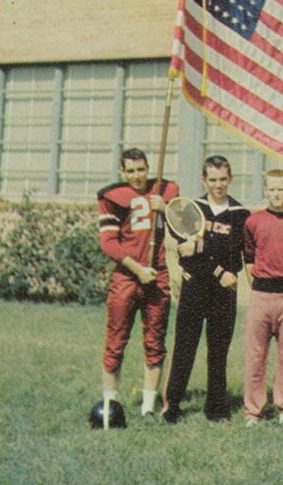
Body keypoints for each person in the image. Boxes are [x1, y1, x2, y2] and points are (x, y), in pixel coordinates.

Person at [161, 155, 248, 424]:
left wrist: (200, 249)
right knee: (184, 348)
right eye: (213, 180)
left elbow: (235, 256)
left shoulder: (240, 214)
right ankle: (172, 406)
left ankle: (217, 409)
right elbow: (185, 255)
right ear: (204, 180)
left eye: (223, 179)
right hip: (195, 288)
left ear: (230, 178)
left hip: (224, 293)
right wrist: (214, 265)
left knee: (218, 351)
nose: (218, 185)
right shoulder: (191, 209)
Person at [97, 148, 179, 417]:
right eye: (130, 171)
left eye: (140, 169)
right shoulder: (112, 197)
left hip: (157, 274)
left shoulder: (164, 190)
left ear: (148, 167)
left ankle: (147, 406)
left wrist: (165, 209)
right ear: (123, 172)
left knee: (155, 341)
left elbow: (184, 225)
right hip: (127, 275)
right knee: (116, 340)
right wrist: (137, 268)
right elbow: (108, 243)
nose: (136, 176)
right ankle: (110, 403)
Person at [242, 169, 283, 428]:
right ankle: (253, 410)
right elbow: (248, 258)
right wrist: (258, 285)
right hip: (261, 295)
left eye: (281, 188)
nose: (276, 194)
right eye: (271, 189)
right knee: (255, 356)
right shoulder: (253, 221)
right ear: (265, 190)